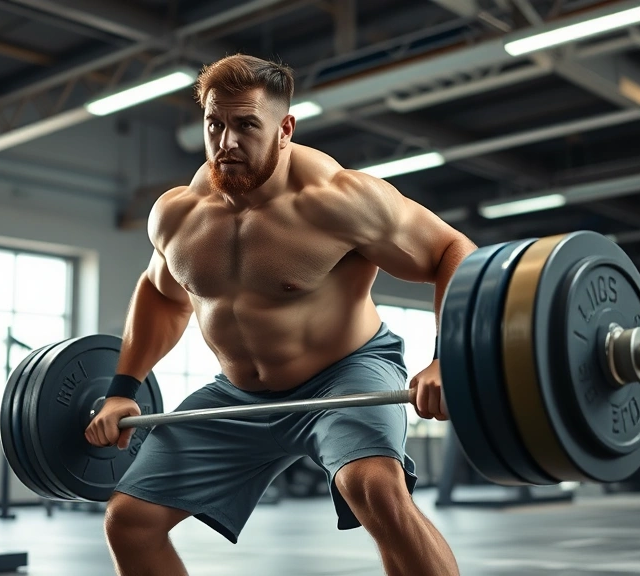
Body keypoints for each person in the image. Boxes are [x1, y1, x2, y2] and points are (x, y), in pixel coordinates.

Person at [84, 53, 477, 576]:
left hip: (346, 375)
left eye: (247, 125)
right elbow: (161, 294)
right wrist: (121, 390)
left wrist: (445, 358)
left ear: (285, 127)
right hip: (239, 395)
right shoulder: (177, 214)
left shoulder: (339, 199)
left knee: (376, 489)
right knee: (128, 520)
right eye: (214, 124)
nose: (227, 142)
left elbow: (454, 251)